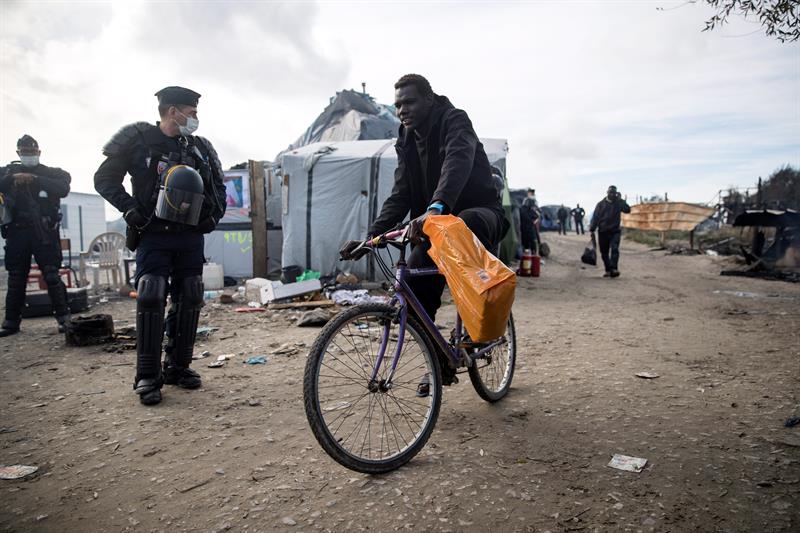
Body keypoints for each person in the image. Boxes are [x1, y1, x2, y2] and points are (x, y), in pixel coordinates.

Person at [340, 74, 508, 384]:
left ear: (429, 99)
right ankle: (439, 360)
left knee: (463, 222)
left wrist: (436, 207)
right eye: (397, 105)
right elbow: (401, 192)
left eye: (409, 102)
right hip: (436, 225)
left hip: (479, 214)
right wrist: (371, 237)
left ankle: (479, 329)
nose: (402, 110)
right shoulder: (405, 138)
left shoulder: (455, 121)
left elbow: (457, 162)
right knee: (413, 285)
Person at [94, 86, 226, 405]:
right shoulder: (138, 139)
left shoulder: (200, 148)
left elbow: (218, 190)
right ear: (173, 112)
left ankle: (178, 368)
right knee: (152, 294)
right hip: (153, 232)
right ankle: (148, 376)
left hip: (189, 235)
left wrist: (212, 218)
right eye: (191, 113)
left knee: (191, 294)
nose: (195, 119)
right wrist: (129, 208)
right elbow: (104, 179)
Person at [0, 135, 72, 337]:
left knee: (51, 274)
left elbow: (63, 188)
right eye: (24, 152)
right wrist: (12, 179)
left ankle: (64, 318)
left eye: (31, 152)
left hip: (44, 232)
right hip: (17, 231)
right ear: (18, 153)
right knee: (16, 277)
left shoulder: (51, 173)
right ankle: (11, 322)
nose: (28, 156)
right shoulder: (8, 172)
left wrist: (36, 179)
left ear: (38, 153)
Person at [589, 185, 630, 278]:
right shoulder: (600, 204)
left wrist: (621, 200)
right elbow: (596, 217)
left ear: (616, 194)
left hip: (615, 231)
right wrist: (592, 229)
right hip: (603, 231)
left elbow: (627, 210)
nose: (612, 194)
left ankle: (614, 268)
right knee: (604, 252)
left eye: (614, 193)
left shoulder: (618, 203)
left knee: (615, 249)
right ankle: (608, 270)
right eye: (610, 192)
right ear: (607, 193)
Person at [519, 188, 539, 252]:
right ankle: (532, 252)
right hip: (528, 227)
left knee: (527, 242)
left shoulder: (523, 208)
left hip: (526, 228)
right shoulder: (526, 208)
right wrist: (533, 222)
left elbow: (536, 216)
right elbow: (536, 216)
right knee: (529, 242)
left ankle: (530, 252)